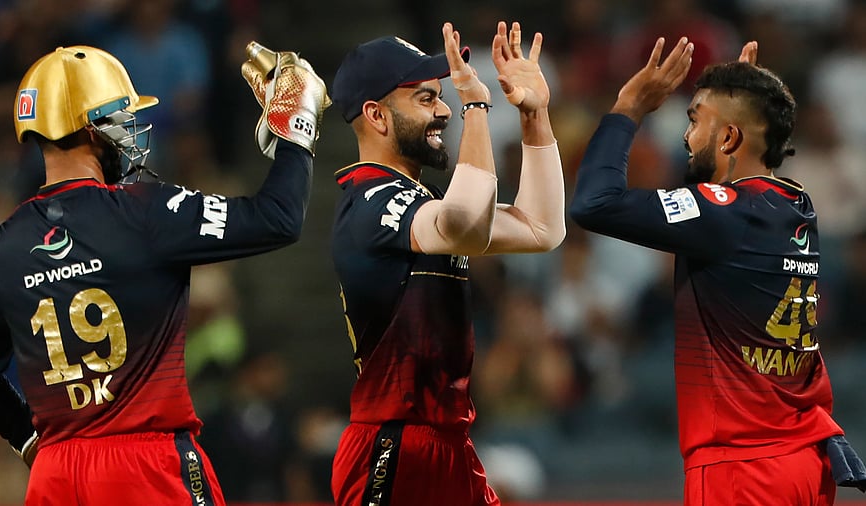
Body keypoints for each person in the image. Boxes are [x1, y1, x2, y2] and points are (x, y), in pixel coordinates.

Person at [0, 41, 330, 505]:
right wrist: (296, 128)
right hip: (146, 466)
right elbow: (278, 218)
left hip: (56, 474)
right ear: (94, 131)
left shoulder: (0, 248)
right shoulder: (145, 212)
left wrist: (27, 439)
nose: (130, 132)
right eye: (121, 119)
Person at [570, 37, 866, 504]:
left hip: (742, 469)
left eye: (694, 121)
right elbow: (736, 186)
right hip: (805, 465)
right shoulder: (796, 204)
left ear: (729, 137)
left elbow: (593, 204)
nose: (685, 138)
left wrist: (628, 107)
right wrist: (739, 101)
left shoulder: (723, 214)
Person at [328, 21, 566, 506]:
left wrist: (535, 117)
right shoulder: (371, 199)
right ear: (376, 115)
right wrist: (476, 108)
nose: (442, 110)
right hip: (394, 446)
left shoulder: (419, 201)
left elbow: (543, 228)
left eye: (441, 97)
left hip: (447, 443)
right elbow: (462, 224)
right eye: (424, 99)